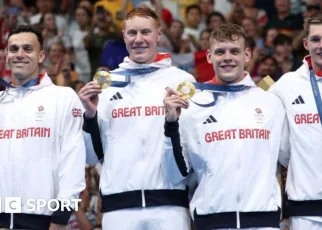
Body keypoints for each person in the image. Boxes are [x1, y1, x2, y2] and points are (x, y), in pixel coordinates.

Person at [78, 6, 196, 230]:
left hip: (169, 207)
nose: (138, 39)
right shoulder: (107, 86)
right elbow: (92, 156)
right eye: (132, 33)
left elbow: (192, 147)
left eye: (146, 32)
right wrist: (90, 116)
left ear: (159, 35)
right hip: (119, 207)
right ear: (124, 36)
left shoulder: (182, 82)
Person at [162, 23, 286, 230]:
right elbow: (176, 173)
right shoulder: (193, 107)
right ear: (209, 57)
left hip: (263, 221)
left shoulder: (271, 103)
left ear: (247, 54)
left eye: (234, 51)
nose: (227, 57)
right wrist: (171, 124)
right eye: (220, 52)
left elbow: (289, 159)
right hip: (212, 221)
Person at [0, 25, 86, 229]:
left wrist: (61, 217)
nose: (19, 54)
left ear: (41, 56)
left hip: (43, 220)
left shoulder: (63, 97)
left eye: (27, 49)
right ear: (6, 56)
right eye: (14, 49)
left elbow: (72, 159)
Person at [269, 13, 322, 230]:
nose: (321, 45)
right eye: (316, 39)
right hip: (305, 207)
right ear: (305, 43)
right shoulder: (287, 84)